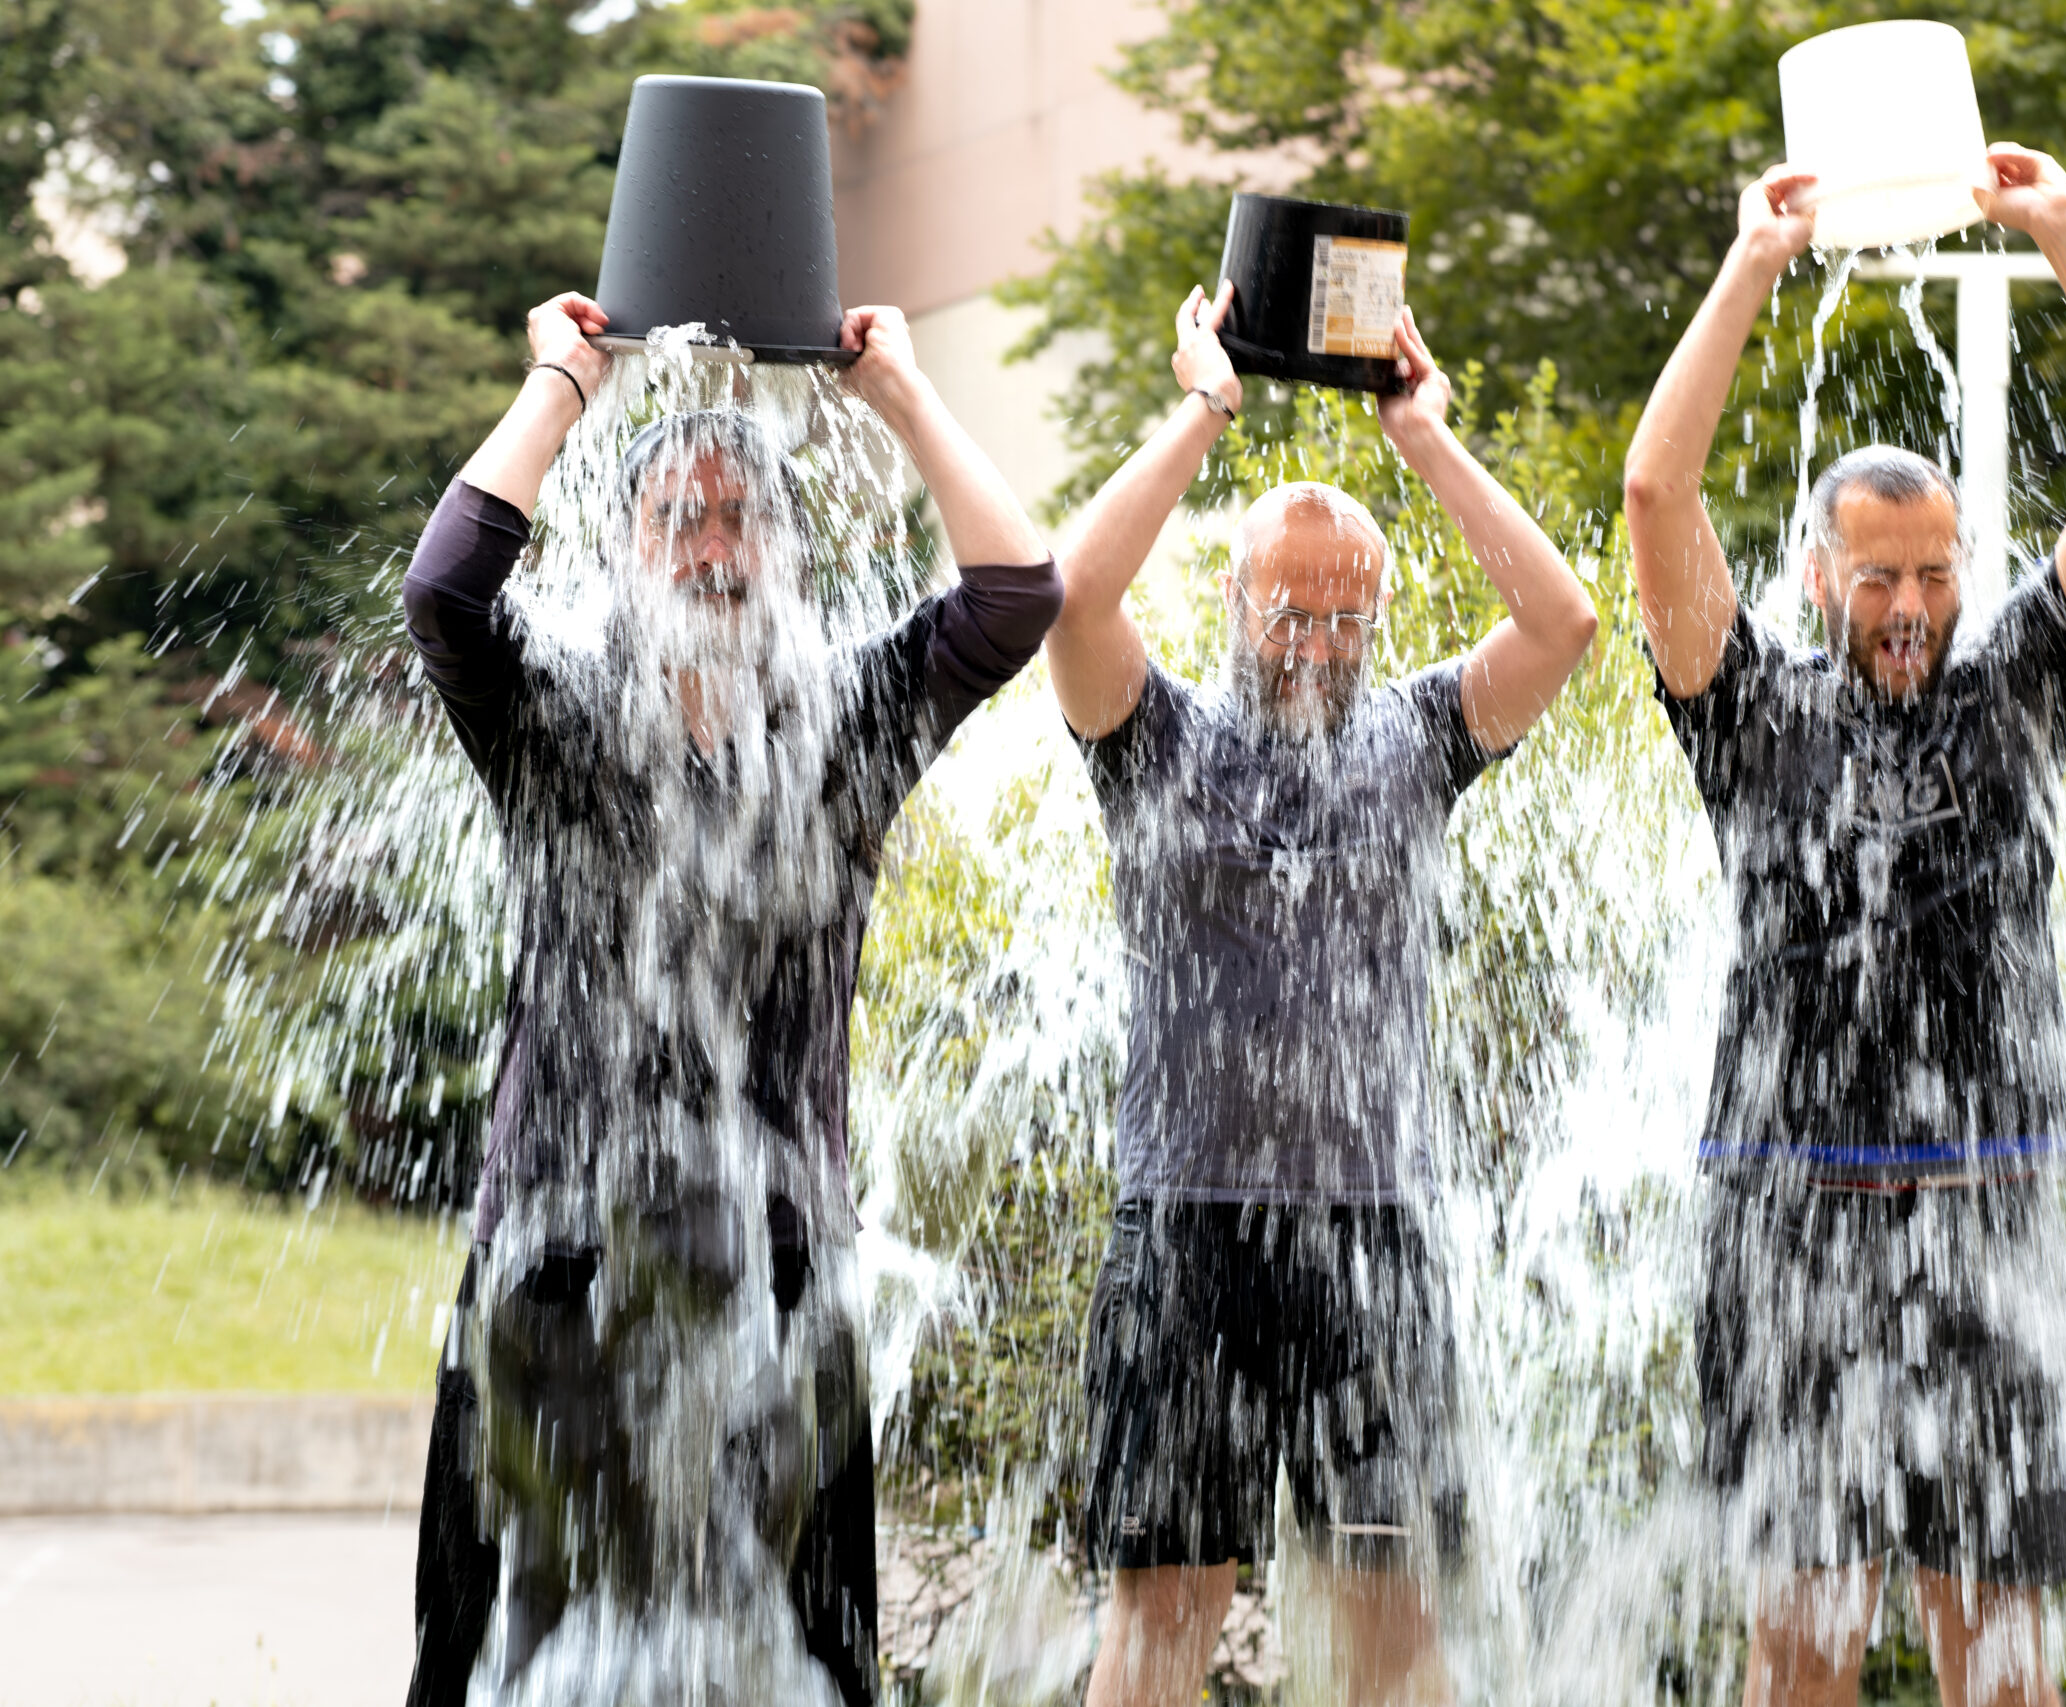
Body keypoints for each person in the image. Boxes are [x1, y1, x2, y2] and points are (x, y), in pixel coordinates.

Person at [400, 290, 1058, 1707]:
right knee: (480, 1660)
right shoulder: (554, 722)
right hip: (551, 1271)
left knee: (816, 1658)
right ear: (625, 551)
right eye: (675, 520)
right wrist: (567, 386)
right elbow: (446, 592)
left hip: (785, 1274)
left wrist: (901, 398)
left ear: (786, 552)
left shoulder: (848, 729)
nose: (709, 547)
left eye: (739, 518)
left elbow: (1016, 599)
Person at [1623, 146, 2066, 1707]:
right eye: (1879, 576)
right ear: (1817, 572)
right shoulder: (1742, 713)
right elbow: (1653, 492)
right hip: (1785, 1212)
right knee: (1800, 1637)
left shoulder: (2019, 681)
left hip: (1986, 1201)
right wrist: (1750, 266)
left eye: (1935, 573)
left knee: (2001, 1645)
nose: (1908, 606)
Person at [1048, 283, 1597, 1707]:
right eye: (1294, 613)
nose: (1319, 642)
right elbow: (1072, 596)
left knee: (1394, 1624)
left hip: (1373, 1230)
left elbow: (1564, 623)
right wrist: (1203, 411)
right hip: (1185, 1225)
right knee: (1162, 1621)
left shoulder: (1419, 736)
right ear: (1234, 604)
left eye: (1349, 617)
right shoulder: (1154, 737)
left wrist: (1422, 438)